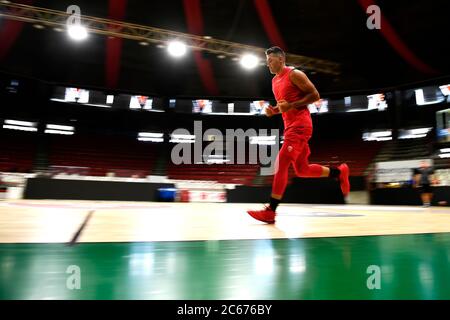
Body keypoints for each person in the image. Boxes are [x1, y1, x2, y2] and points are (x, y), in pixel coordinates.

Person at [247, 46, 350, 224]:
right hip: (290, 127)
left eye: (270, 60)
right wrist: (275, 111)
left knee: (281, 163)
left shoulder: (295, 74)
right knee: (302, 170)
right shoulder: (274, 82)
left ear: (280, 59)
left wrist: (292, 105)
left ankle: (271, 210)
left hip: (300, 126)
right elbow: (285, 105)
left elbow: (315, 95)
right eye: (266, 60)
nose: (267, 63)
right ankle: (338, 173)